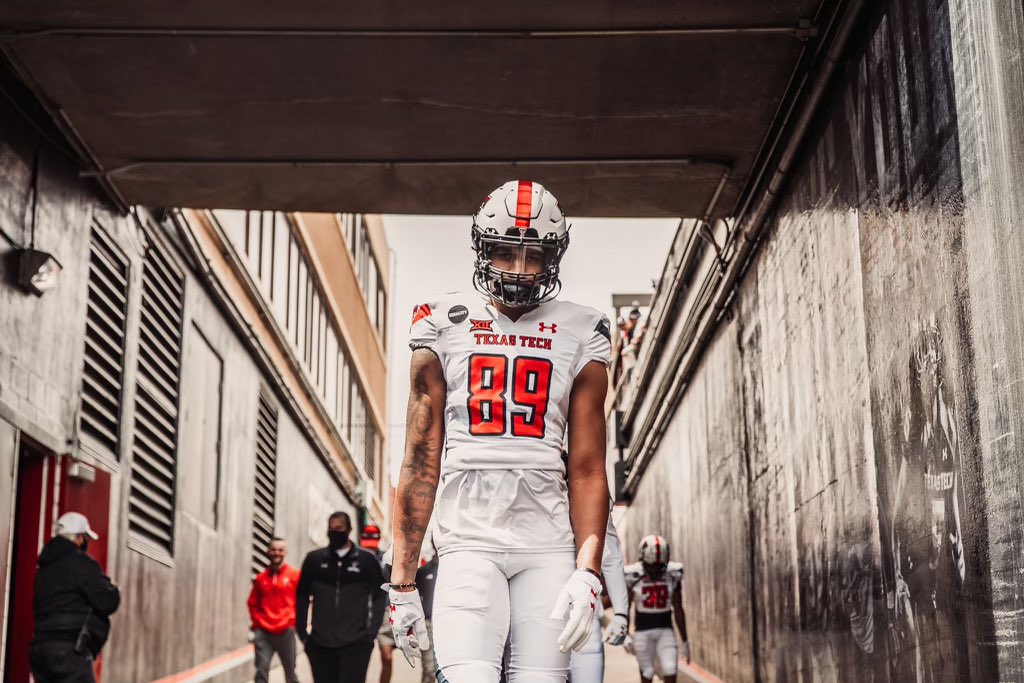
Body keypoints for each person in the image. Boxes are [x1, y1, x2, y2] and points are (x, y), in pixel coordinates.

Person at [387, 180, 612, 683]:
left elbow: (587, 466)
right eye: (504, 252)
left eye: (533, 255)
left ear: (553, 256)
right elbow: (421, 455)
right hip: (468, 538)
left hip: (548, 544)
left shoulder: (583, 329)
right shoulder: (442, 321)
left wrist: (588, 570)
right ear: (482, 248)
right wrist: (402, 580)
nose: (517, 268)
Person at [30, 511, 120, 683]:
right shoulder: (81, 564)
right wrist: (113, 589)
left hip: (40, 650)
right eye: (85, 538)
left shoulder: (44, 569)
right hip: (69, 653)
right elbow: (108, 601)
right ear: (78, 538)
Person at [296, 511, 386, 683]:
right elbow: (302, 594)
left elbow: (379, 595)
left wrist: (370, 635)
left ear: (349, 529)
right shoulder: (314, 560)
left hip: (356, 644)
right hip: (320, 645)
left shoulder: (366, 560)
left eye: (339, 528)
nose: (334, 532)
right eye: (331, 528)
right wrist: (302, 633)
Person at [569, 508, 630, 682]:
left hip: (585, 615)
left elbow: (610, 555)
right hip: (535, 611)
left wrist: (620, 614)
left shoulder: (589, 486)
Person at [624, 535, 690, 683]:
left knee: (671, 670)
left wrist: (685, 641)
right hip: (642, 632)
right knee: (647, 673)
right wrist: (625, 633)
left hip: (665, 630)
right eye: (651, 566)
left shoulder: (673, 574)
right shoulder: (633, 575)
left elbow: (678, 609)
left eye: (659, 566)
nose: (655, 570)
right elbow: (626, 607)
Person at [248, 537, 301, 683]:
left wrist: (295, 622)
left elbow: (302, 601)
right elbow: (252, 603)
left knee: (290, 673)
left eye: (280, 550)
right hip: (264, 632)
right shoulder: (261, 578)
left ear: (285, 552)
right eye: (273, 549)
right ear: (268, 551)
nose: (276, 553)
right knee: (261, 672)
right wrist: (257, 623)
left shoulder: (294, 575)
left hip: (286, 631)